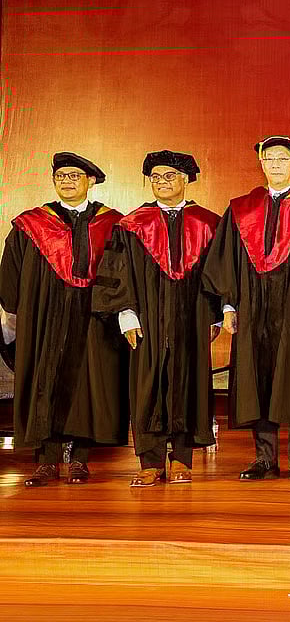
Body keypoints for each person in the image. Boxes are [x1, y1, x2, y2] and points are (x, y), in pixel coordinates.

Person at [201, 136, 290, 482]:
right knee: (258, 379)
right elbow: (226, 263)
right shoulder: (242, 208)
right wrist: (228, 306)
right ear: (262, 164)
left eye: (284, 159)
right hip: (253, 309)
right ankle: (264, 458)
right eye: (270, 159)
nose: (277, 164)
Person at [94, 151, 223, 487]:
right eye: (156, 177)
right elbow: (117, 273)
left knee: (187, 380)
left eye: (169, 176)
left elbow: (219, 275)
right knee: (147, 383)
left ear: (186, 179)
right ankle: (149, 460)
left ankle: (182, 458)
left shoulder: (209, 223)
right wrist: (126, 315)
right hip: (146, 317)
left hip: (192, 317)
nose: (162, 182)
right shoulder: (132, 225)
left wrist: (217, 316)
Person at [0, 152, 125, 486]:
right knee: (45, 379)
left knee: (88, 384)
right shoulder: (31, 224)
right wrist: (17, 312)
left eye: (74, 176)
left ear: (90, 181)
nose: (67, 181)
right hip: (44, 315)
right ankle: (46, 460)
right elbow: (11, 272)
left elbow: (122, 272)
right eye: (61, 176)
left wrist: (116, 310)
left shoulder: (112, 224)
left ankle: (80, 459)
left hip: (94, 315)